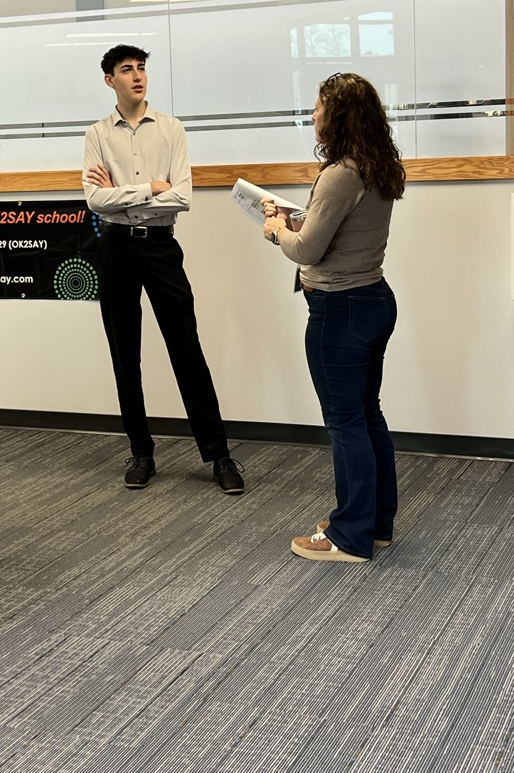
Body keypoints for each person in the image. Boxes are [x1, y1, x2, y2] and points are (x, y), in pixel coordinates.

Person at [83, 45, 244, 494]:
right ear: (109, 80)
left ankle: (220, 456)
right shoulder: (96, 134)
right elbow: (95, 200)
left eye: (141, 69)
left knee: (186, 349)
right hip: (114, 249)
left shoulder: (171, 129)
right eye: (126, 70)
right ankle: (141, 451)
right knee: (124, 354)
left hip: (160, 247)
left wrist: (126, 191)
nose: (137, 76)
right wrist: (149, 187)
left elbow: (182, 197)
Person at [262, 72, 405, 562]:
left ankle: (349, 536)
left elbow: (308, 249)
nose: (315, 114)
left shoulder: (341, 173)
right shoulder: (377, 164)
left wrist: (277, 228)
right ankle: (374, 521)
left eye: (320, 106)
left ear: (338, 115)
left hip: (339, 311)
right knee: (367, 414)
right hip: (372, 300)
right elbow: (336, 234)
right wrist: (297, 222)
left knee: (345, 422)